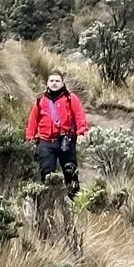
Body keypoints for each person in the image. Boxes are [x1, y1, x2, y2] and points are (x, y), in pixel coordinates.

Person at [25, 69, 89, 198]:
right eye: (52, 81)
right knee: (47, 173)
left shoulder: (71, 98)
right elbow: (33, 120)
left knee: (70, 172)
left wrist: (82, 132)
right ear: (47, 83)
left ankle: (75, 201)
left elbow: (79, 115)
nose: (54, 83)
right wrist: (30, 137)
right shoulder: (40, 101)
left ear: (62, 83)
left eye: (57, 81)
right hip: (46, 142)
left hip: (67, 140)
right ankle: (48, 202)